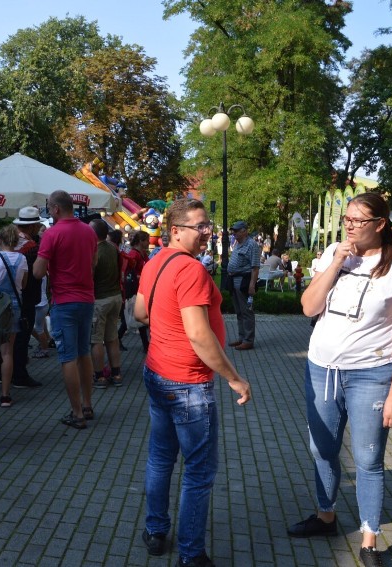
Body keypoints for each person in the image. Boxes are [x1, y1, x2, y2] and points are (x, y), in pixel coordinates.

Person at [287, 193, 392, 567]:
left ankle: (369, 541)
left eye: (357, 221)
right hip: (321, 369)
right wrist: (335, 263)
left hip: (372, 374)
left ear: (379, 225)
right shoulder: (335, 252)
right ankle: (325, 516)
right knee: (322, 449)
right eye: (346, 219)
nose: (348, 225)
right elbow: (308, 307)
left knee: (368, 458)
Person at [133, 198, 251, 567]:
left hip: (157, 373)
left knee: (161, 457)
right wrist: (234, 378)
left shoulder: (155, 262)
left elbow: (139, 312)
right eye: (199, 226)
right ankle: (190, 554)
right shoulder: (192, 270)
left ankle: (155, 531)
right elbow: (201, 337)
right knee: (198, 472)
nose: (207, 232)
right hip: (187, 385)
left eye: (207, 225)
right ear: (176, 231)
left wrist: (166, 326)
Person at [33, 190, 97, 429]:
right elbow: (93, 263)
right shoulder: (88, 231)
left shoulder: (52, 234)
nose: (49, 211)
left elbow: (38, 272)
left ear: (56, 208)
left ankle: (76, 412)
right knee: (84, 353)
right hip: (86, 298)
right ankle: (88, 405)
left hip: (64, 300)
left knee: (68, 357)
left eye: (49, 208)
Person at [0, 224, 28, 408]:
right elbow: (24, 285)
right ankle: (5, 394)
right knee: (7, 352)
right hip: (15, 307)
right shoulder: (23, 259)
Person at [11, 206, 47, 388]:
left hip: (10, 296)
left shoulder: (9, 242)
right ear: (33, 226)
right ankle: (19, 375)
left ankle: (8, 372)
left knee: (12, 336)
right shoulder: (31, 247)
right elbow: (37, 273)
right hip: (27, 296)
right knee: (23, 335)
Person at [89, 218, 123, 389]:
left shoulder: (95, 251)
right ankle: (116, 373)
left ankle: (100, 376)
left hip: (100, 299)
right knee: (112, 337)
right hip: (115, 296)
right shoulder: (113, 248)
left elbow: (90, 276)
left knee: (96, 339)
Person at [226, 220, 260, 350]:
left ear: (244, 231)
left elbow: (255, 267)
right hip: (234, 281)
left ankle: (248, 340)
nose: (234, 233)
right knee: (239, 311)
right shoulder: (238, 244)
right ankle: (242, 338)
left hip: (243, 281)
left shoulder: (251, 245)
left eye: (236, 231)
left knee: (246, 312)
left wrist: (252, 285)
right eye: (233, 231)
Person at [121, 231, 151, 352]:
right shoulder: (134, 254)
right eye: (147, 240)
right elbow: (129, 273)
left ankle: (146, 345)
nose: (149, 242)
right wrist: (140, 276)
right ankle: (145, 345)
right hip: (134, 289)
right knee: (133, 315)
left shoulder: (142, 253)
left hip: (140, 287)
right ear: (140, 241)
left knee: (136, 316)